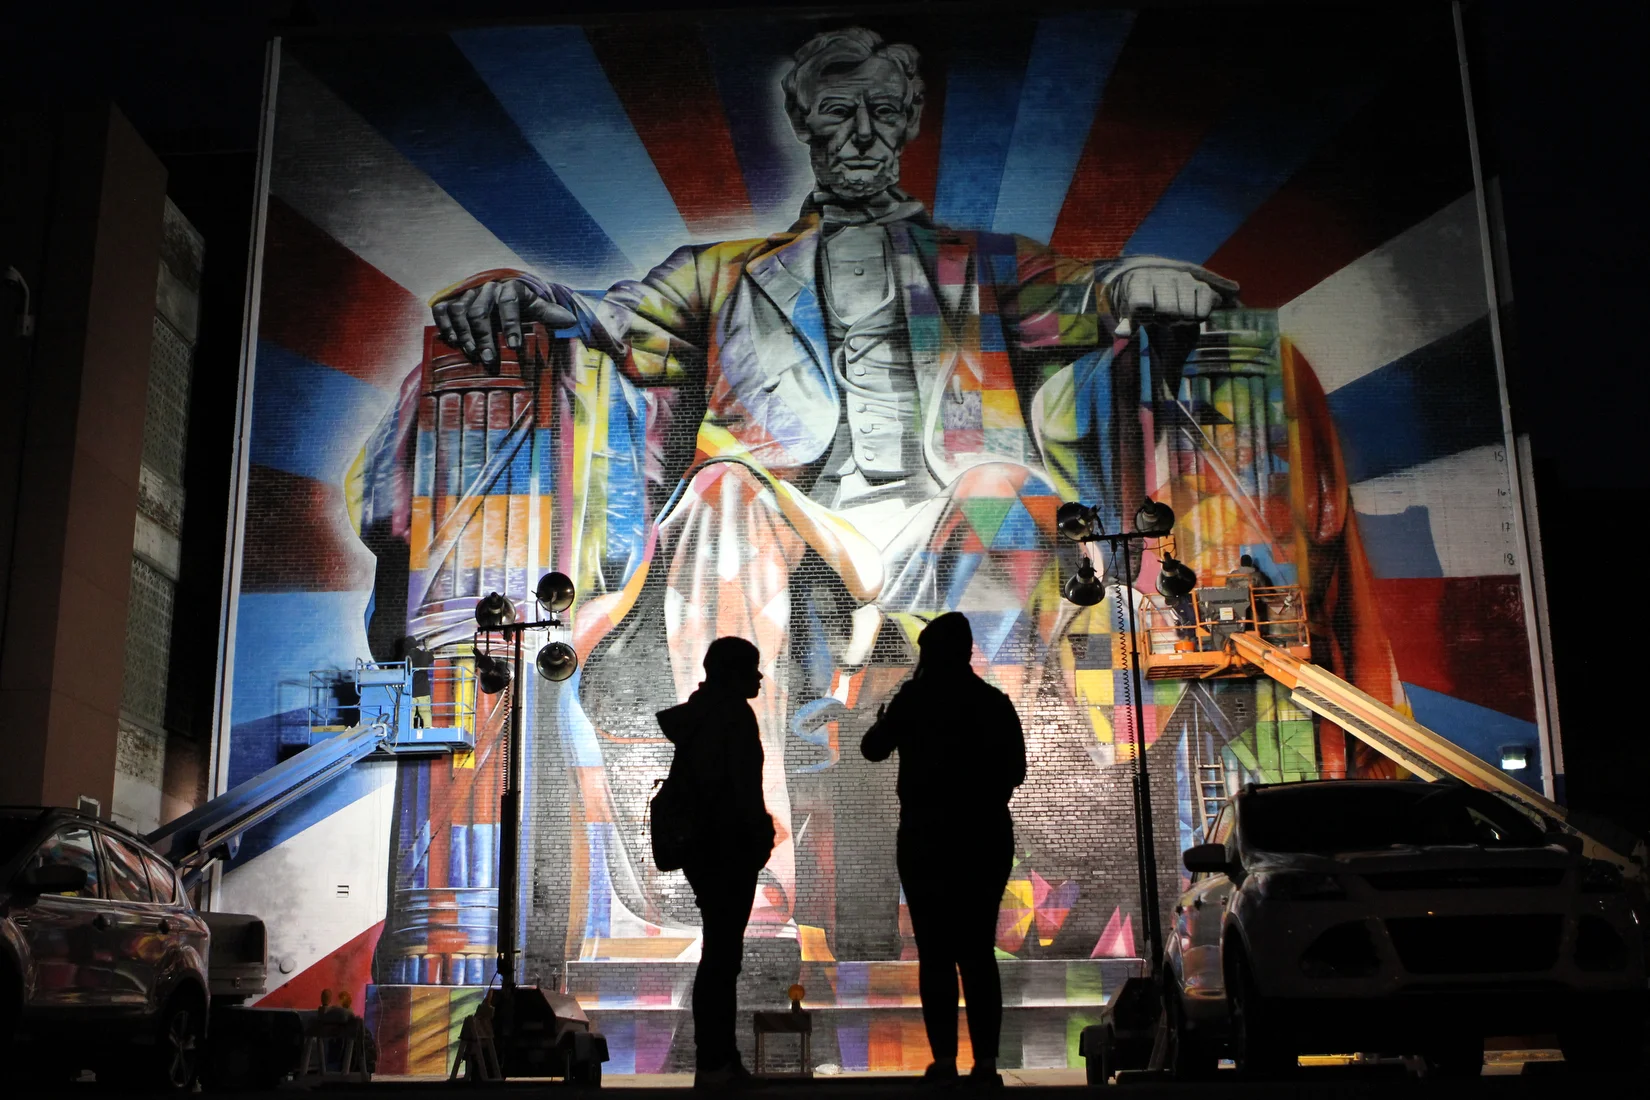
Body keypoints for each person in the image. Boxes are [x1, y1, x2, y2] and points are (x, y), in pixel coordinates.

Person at [413, 25, 1237, 937]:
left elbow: (1092, 295)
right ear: (806, 122)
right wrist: (529, 295)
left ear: (909, 124)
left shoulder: (990, 266)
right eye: (839, 114)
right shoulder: (721, 275)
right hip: (799, 515)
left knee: (1003, 480)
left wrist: (1142, 281)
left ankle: (1008, 849)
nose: (861, 136)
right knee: (723, 486)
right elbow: (611, 321)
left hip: (944, 514)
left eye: (883, 114)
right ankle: (755, 846)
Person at [860, 613, 1026, 1085]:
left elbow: (872, 749)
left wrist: (886, 718)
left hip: (925, 838)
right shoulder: (993, 702)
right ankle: (987, 1064)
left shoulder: (915, 698)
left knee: (934, 953)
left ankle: (944, 1062)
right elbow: (1016, 770)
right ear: (968, 650)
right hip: (984, 837)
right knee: (977, 951)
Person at [656, 637, 778, 1085]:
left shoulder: (701, 715)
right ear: (732, 673)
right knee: (723, 960)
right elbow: (739, 791)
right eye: (752, 669)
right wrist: (759, 836)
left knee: (719, 956)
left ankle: (717, 1058)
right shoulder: (733, 718)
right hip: (729, 851)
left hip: (706, 852)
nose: (759, 677)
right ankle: (716, 1061)